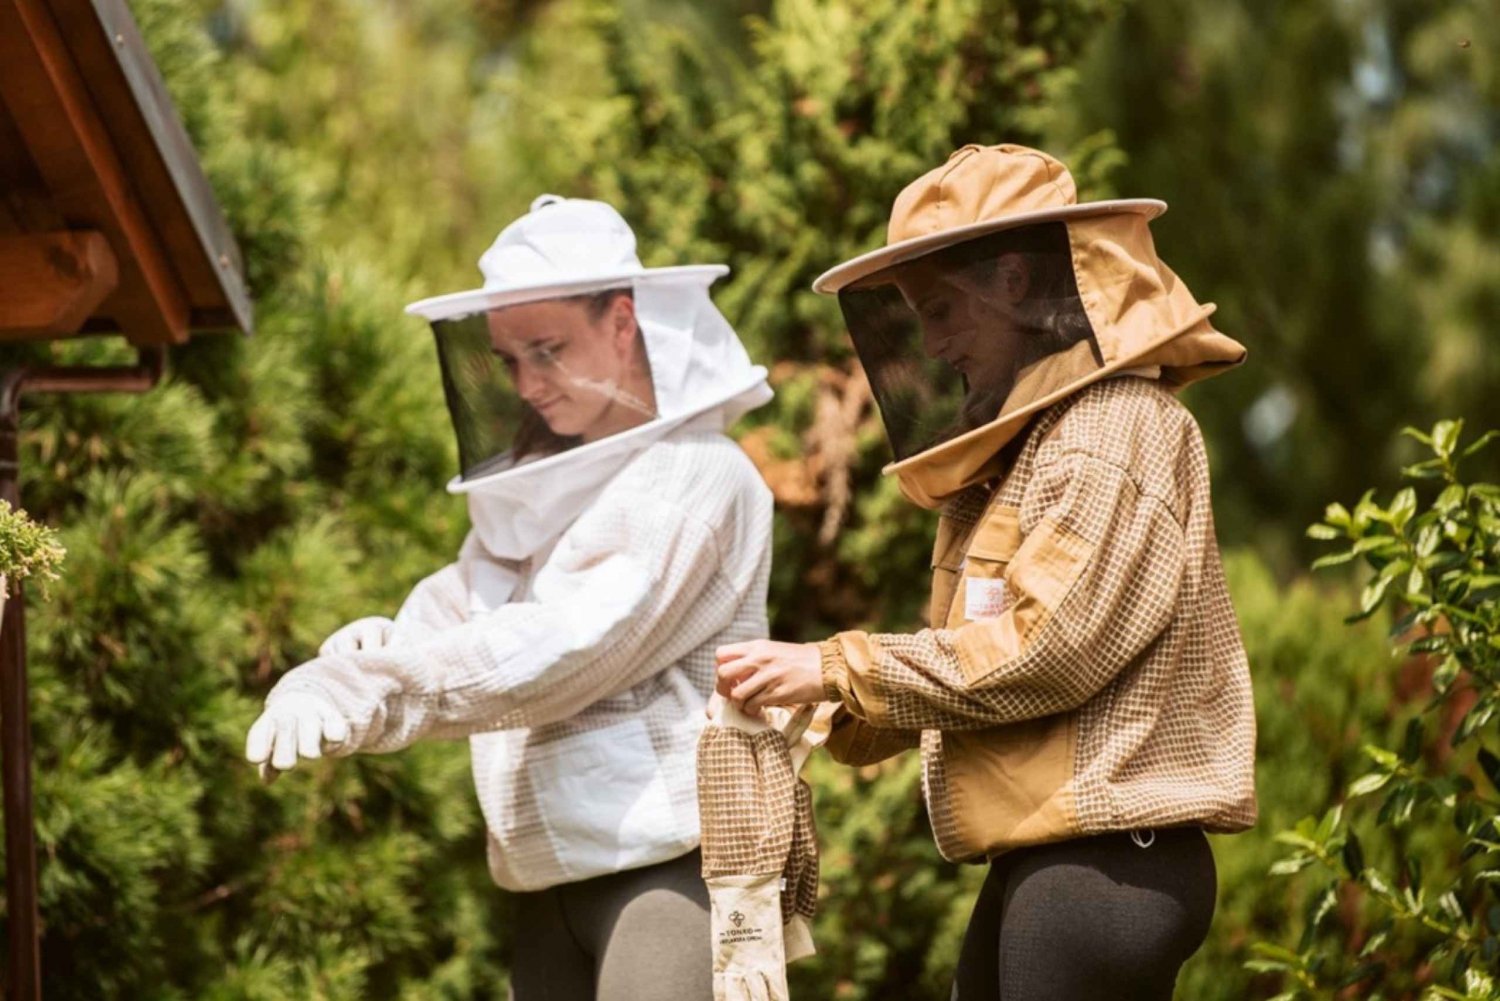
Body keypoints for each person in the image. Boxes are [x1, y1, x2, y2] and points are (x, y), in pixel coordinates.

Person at [713, 144, 1258, 1001]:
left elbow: (1047, 651)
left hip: (1106, 860)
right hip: (1061, 861)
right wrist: (827, 702)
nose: (930, 344)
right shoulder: (1039, 445)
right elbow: (975, 657)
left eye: (940, 308)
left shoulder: (1110, 426)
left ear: (1012, 280)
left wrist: (834, 664)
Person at [245, 194, 775, 1001]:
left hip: (668, 877)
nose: (527, 384)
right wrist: (372, 646)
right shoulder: (551, 484)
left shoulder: (696, 472)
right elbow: (469, 606)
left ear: (624, 323)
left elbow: (570, 642)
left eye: (548, 350)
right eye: (509, 360)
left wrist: (374, 687)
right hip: (543, 889)